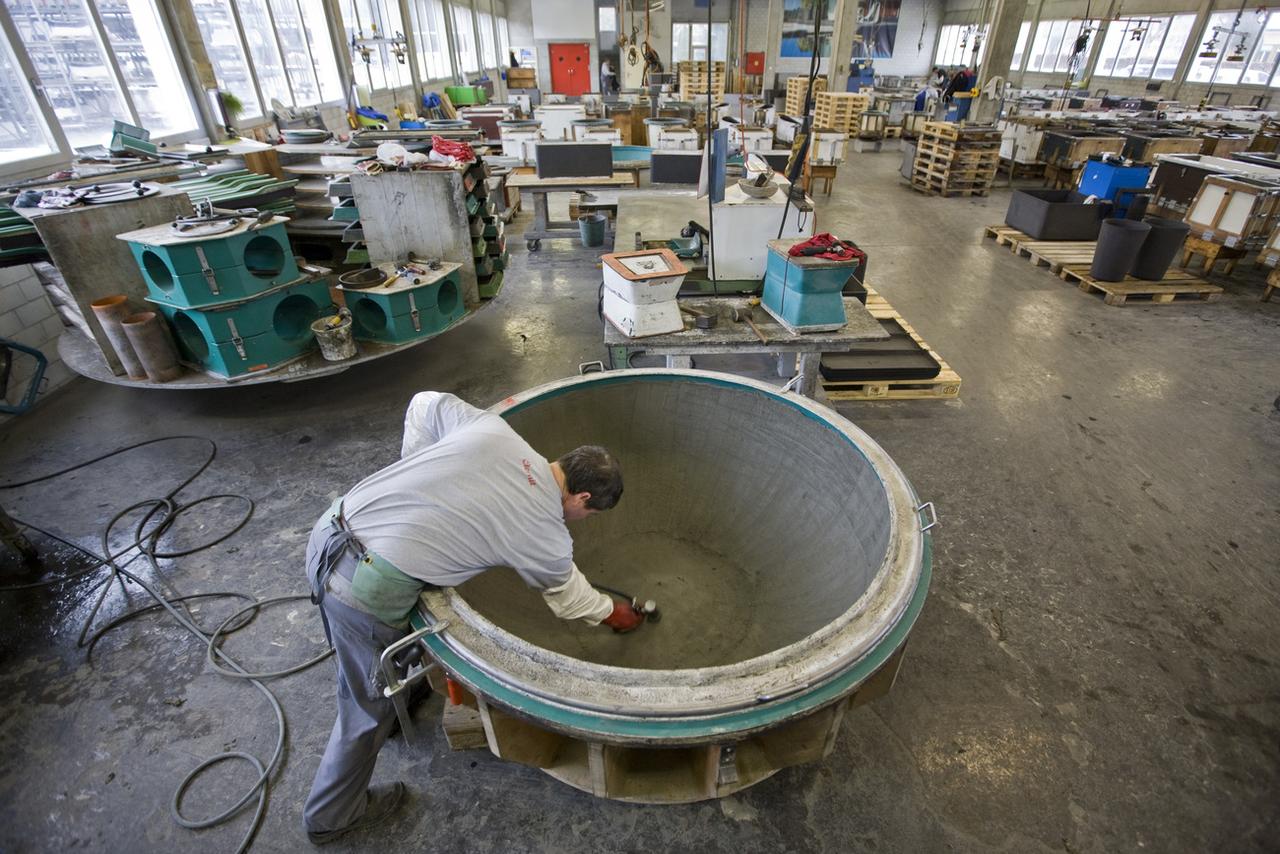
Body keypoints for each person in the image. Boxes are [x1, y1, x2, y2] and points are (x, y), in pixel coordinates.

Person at [302, 391, 642, 844]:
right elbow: (570, 600)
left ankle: (385, 703)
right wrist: (613, 613)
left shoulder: (499, 433)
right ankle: (332, 817)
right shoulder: (542, 529)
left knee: (361, 662)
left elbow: (423, 404)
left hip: (331, 529)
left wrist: (421, 481)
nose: (581, 520)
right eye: (587, 513)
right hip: (364, 587)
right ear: (581, 496)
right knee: (364, 704)